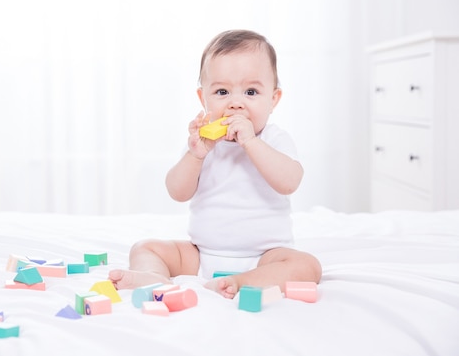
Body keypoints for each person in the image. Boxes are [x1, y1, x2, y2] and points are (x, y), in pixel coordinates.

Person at [108, 29, 321, 299]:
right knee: (144, 247)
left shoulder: (274, 139)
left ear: (273, 100)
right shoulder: (202, 144)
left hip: (264, 257)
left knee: (307, 266)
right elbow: (177, 192)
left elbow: (289, 182)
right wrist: (195, 155)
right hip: (201, 255)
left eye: (251, 92)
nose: (235, 104)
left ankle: (244, 281)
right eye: (222, 91)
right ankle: (154, 277)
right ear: (203, 99)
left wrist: (251, 143)